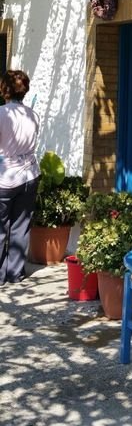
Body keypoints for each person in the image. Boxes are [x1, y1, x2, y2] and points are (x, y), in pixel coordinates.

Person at [0, 70, 40, 285]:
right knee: (20, 226)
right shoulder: (33, 115)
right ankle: (15, 273)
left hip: (5, 177)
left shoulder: (1, 114)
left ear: (4, 89)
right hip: (29, 175)